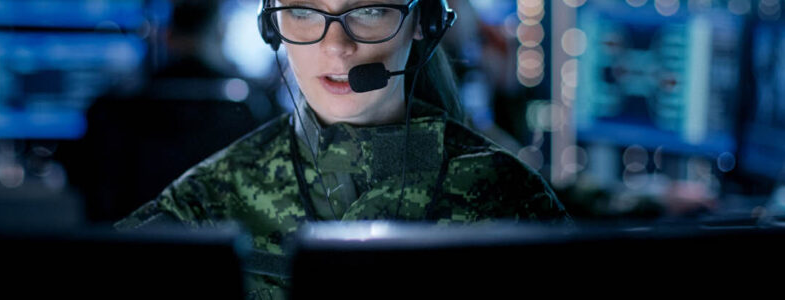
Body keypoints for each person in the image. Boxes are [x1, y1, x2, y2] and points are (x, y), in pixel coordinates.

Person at [115, 0, 570, 298]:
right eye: (304, 11)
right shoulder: (206, 201)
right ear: (272, 27)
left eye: (369, 10)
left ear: (424, 22)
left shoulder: (508, 196)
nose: (336, 47)